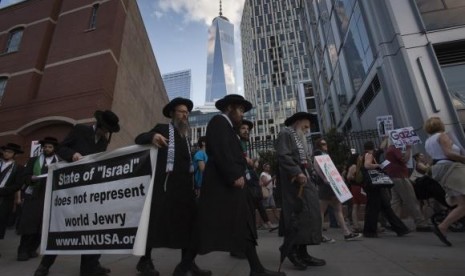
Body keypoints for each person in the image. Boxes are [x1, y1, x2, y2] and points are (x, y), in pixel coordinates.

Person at [195, 94, 284, 276]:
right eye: (241, 109)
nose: (243, 114)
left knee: (244, 224)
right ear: (229, 108)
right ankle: (185, 265)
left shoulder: (230, 129)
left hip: (231, 187)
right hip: (222, 187)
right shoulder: (218, 121)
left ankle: (256, 268)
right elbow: (220, 151)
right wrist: (233, 175)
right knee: (205, 228)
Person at [34, 110, 120, 276]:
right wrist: (73, 155)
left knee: (91, 226)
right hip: (70, 188)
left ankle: (90, 266)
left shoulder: (103, 141)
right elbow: (61, 147)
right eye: (105, 129)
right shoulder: (81, 130)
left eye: (109, 130)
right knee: (61, 225)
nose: (106, 133)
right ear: (99, 125)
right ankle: (45, 265)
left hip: (89, 189)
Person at [134, 97, 211, 276]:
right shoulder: (162, 129)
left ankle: (188, 263)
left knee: (189, 225)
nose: (185, 115)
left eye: (187, 112)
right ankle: (144, 262)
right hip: (165, 187)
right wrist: (153, 136)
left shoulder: (185, 137)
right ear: (172, 113)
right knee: (155, 223)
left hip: (185, 189)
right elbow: (139, 138)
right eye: (181, 111)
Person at [275, 112, 326, 271]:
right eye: (305, 125)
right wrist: (297, 172)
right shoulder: (286, 133)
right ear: (297, 122)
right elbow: (283, 155)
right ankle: (291, 250)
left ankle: (303, 252)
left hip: (305, 181)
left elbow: (305, 161)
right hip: (294, 183)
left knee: (309, 217)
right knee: (297, 217)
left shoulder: (299, 137)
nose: (307, 129)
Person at [17, 137, 60, 261]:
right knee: (29, 224)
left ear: (54, 148)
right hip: (34, 196)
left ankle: (32, 249)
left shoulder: (59, 162)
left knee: (43, 226)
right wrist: (31, 178)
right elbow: (24, 176)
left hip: (50, 196)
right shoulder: (33, 160)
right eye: (45, 147)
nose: (47, 149)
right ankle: (23, 251)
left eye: (50, 147)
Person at [424, 117, 465, 246]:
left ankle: (443, 226)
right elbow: (449, 153)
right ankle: (443, 226)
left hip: (441, 171)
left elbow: (431, 160)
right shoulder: (442, 136)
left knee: (462, 204)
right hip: (452, 168)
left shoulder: (428, 141)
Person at [312, 138, 362, 242]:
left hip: (330, 185)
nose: (326, 145)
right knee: (325, 210)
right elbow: (320, 171)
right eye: (323, 144)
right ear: (319, 146)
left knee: (336, 209)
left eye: (326, 143)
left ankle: (346, 233)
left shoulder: (323, 156)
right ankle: (321, 235)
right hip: (327, 185)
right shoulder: (320, 156)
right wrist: (329, 180)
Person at [361, 141, 410, 238]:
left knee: (385, 207)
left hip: (373, 185)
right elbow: (367, 165)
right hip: (374, 185)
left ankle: (400, 229)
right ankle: (370, 231)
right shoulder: (369, 154)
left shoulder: (367, 154)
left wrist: (386, 138)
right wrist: (379, 165)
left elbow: (380, 148)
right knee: (374, 208)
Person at [384, 142, 431, 232]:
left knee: (396, 201)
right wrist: (408, 148)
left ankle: (393, 222)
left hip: (393, 176)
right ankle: (420, 223)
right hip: (400, 176)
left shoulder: (390, 149)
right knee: (411, 199)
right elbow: (404, 159)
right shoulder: (394, 149)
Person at [0, 143, 25, 258]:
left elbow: (18, 185)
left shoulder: (18, 168)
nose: (6, 153)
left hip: (5, 199)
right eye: (5, 151)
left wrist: (3, 191)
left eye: (9, 152)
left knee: (1, 223)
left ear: (14, 154)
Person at [346, 153, 366, 233]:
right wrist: (355, 177)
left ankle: (356, 225)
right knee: (360, 205)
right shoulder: (354, 166)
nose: (361, 158)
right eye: (359, 157)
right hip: (358, 187)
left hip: (355, 187)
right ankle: (356, 225)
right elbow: (348, 177)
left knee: (355, 206)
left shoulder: (354, 166)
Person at [260, 163, 280, 227]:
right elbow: (265, 183)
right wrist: (272, 179)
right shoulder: (263, 174)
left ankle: (280, 221)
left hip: (270, 193)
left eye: (269, 167)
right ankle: (262, 223)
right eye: (267, 167)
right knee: (264, 209)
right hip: (266, 193)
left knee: (274, 207)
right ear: (264, 168)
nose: (268, 168)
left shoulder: (268, 174)